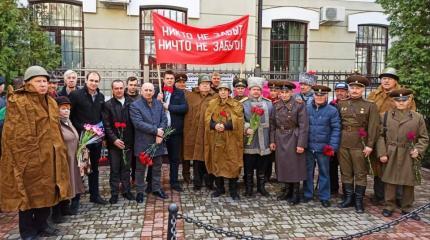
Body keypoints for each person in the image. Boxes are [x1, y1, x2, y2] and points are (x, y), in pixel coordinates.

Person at [0, 66, 72, 239]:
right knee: (28, 196)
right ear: (27, 84)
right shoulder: (19, 101)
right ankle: (27, 231)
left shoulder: (52, 102)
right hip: (28, 160)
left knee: (47, 193)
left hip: (50, 158)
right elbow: (14, 134)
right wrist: (25, 156)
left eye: (45, 81)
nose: (43, 85)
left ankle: (42, 225)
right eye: (38, 81)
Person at [367, 67, 416, 205]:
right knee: (379, 165)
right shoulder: (374, 95)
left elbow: (411, 117)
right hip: (379, 135)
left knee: (398, 167)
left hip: (398, 136)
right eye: (383, 78)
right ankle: (380, 195)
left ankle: (399, 198)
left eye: (389, 78)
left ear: (395, 81)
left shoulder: (404, 95)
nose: (386, 81)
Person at [377, 89, 428, 220]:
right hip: (391, 151)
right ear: (393, 102)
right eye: (397, 100)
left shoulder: (417, 117)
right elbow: (380, 136)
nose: (401, 102)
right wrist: (382, 152)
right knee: (390, 180)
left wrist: (418, 149)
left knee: (408, 181)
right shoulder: (385, 116)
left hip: (408, 153)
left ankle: (407, 207)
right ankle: (389, 206)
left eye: (404, 100)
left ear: (409, 100)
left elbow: (424, 138)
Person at [337, 73, 379, 213]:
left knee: (360, 173)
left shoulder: (370, 106)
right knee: (346, 172)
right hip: (343, 143)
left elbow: (373, 127)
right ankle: (349, 198)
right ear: (348, 89)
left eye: (358, 88)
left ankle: (359, 201)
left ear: (363, 90)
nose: (355, 90)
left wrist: (369, 145)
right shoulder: (341, 104)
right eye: (352, 87)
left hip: (360, 144)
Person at [69, 71, 107, 204]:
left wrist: (101, 134)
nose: (94, 83)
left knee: (94, 168)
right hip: (81, 139)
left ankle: (94, 195)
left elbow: (101, 117)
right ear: (86, 80)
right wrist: (82, 127)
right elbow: (70, 116)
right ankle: (75, 200)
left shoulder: (101, 96)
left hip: (95, 139)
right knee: (80, 168)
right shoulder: (76, 95)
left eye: (96, 81)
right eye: (91, 80)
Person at [269, 81, 308, 205]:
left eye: (287, 92)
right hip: (280, 137)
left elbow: (304, 126)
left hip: (293, 137)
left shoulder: (299, 105)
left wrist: (301, 144)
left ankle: (295, 193)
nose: (284, 95)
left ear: (292, 92)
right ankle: (287, 190)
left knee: (294, 166)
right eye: (282, 92)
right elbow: (272, 125)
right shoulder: (275, 105)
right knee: (283, 165)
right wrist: (272, 140)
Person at [204, 83, 244, 200]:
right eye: (220, 90)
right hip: (216, 137)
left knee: (232, 162)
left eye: (225, 90)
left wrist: (225, 126)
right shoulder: (212, 104)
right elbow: (207, 118)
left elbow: (239, 120)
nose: (222, 92)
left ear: (229, 92)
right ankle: (220, 188)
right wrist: (214, 125)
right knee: (217, 161)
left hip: (231, 138)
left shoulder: (236, 104)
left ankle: (233, 190)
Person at [130, 82, 168, 202]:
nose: (148, 92)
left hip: (158, 142)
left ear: (154, 92)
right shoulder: (135, 105)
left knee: (157, 167)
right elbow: (138, 123)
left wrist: (160, 133)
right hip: (143, 142)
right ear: (141, 91)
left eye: (150, 90)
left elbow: (164, 120)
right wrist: (156, 131)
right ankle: (140, 191)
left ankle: (156, 188)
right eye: (145, 90)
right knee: (140, 169)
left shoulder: (158, 104)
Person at [303, 85, 341, 207]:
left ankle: (324, 196)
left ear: (326, 96)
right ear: (313, 95)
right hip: (308, 146)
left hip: (324, 148)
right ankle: (308, 194)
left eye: (322, 95)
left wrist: (332, 146)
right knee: (308, 172)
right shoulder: (306, 108)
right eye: (317, 95)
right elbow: (302, 127)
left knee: (324, 172)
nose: (319, 97)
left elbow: (336, 129)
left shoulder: (332, 110)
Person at [51, 96, 85, 223]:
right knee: (60, 183)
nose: (66, 111)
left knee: (69, 182)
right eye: (63, 108)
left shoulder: (67, 121)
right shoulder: (55, 123)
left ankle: (65, 208)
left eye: (68, 109)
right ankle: (56, 213)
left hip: (72, 158)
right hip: (62, 159)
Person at [102, 80, 135, 204]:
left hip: (128, 141)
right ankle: (114, 193)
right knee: (115, 169)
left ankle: (126, 191)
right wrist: (114, 139)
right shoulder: (108, 105)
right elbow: (107, 125)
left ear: (124, 88)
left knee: (126, 168)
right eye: (116, 88)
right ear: (112, 89)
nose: (119, 90)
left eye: (121, 88)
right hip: (114, 143)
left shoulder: (131, 103)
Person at [183, 75, 217, 191]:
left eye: (207, 84)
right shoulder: (190, 96)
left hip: (209, 132)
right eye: (203, 84)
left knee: (209, 156)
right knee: (196, 157)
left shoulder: (215, 97)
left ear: (210, 85)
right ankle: (197, 182)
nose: (205, 85)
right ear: (199, 85)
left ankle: (209, 182)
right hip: (193, 132)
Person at [156, 70, 188, 192]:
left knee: (174, 158)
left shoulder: (179, 93)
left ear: (174, 81)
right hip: (159, 130)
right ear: (163, 80)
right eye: (167, 78)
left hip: (174, 131)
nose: (169, 80)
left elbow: (184, 108)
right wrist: (156, 100)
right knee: (155, 156)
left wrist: (168, 106)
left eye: (171, 78)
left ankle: (174, 182)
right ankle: (153, 183)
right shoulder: (157, 91)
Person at [242, 77, 273, 197]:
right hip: (250, 140)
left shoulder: (269, 104)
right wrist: (246, 127)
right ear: (249, 90)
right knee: (249, 165)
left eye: (258, 89)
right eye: (254, 89)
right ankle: (249, 188)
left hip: (264, 139)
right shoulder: (244, 104)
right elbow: (240, 119)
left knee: (262, 166)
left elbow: (272, 121)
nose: (256, 92)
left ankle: (261, 187)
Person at [329, 82, 349, 195]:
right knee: (331, 165)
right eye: (337, 91)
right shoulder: (332, 104)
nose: (339, 93)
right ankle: (333, 188)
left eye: (342, 91)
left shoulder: (350, 104)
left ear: (347, 92)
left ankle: (347, 191)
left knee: (345, 168)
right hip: (333, 139)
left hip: (345, 139)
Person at [174, 73, 192, 184]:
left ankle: (186, 175)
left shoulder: (190, 95)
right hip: (175, 127)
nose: (181, 84)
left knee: (186, 153)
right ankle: (174, 177)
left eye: (183, 82)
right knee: (175, 154)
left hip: (188, 127)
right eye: (179, 82)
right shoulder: (172, 94)